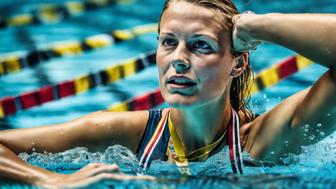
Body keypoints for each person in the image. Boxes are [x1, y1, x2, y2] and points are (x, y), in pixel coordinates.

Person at [1, 0, 336, 188]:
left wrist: (256, 25)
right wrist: (44, 180)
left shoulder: (264, 141)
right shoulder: (125, 135)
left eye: (200, 45)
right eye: (168, 42)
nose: (178, 60)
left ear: (237, 64)